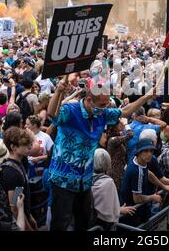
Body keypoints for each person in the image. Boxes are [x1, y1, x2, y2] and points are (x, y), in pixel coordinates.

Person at [46, 78, 158, 231]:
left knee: (84, 222)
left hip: (85, 180)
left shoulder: (102, 114)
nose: (105, 108)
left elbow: (125, 111)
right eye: (102, 105)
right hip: (63, 180)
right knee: (61, 223)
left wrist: (146, 97)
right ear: (89, 99)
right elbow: (52, 113)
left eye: (107, 104)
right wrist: (59, 90)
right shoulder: (70, 111)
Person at [119, 139, 164, 227]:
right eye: (146, 151)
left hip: (135, 210)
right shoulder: (137, 171)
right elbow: (137, 199)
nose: (149, 154)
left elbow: (148, 173)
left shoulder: (137, 159)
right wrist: (153, 197)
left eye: (151, 151)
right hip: (131, 213)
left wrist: (163, 186)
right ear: (139, 152)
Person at [0, 126, 37, 231]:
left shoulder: (16, 165)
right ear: (13, 147)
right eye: (25, 144)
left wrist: (29, 216)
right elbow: (14, 207)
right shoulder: (13, 173)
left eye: (29, 143)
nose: (30, 146)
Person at [90, 149, 137, 231]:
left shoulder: (87, 179)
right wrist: (117, 210)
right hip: (102, 225)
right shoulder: (108, 182)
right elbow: (108, 212)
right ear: (108, 162)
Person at [105, 118, 134, 190]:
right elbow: (130, 135)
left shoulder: (117, 137)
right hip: (115, 173)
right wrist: (126, 124)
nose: (121, 124)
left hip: (120, 170)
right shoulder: (113, 140)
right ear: (114, 126)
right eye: (119, 123)